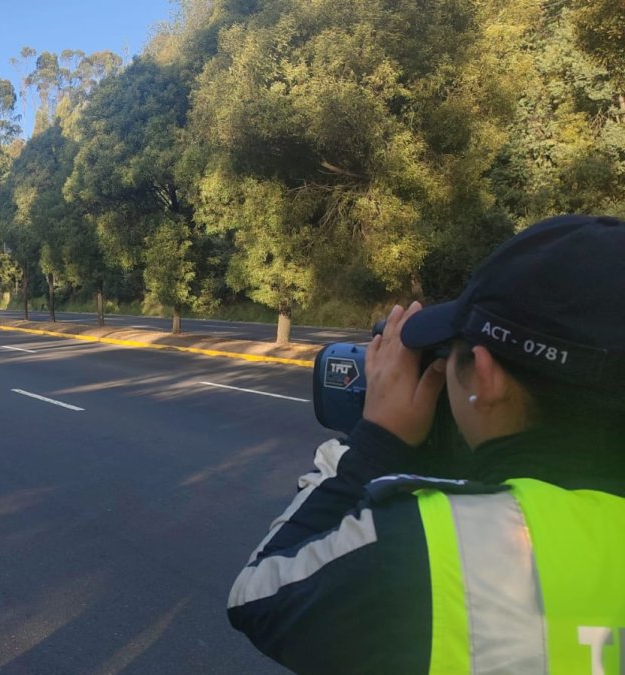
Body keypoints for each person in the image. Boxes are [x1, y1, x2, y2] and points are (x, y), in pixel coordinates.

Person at [228, 214, 625, 673]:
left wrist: (377, 442)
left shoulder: (432, 551)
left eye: (448, 353)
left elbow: (257, 596)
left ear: (486, 376)